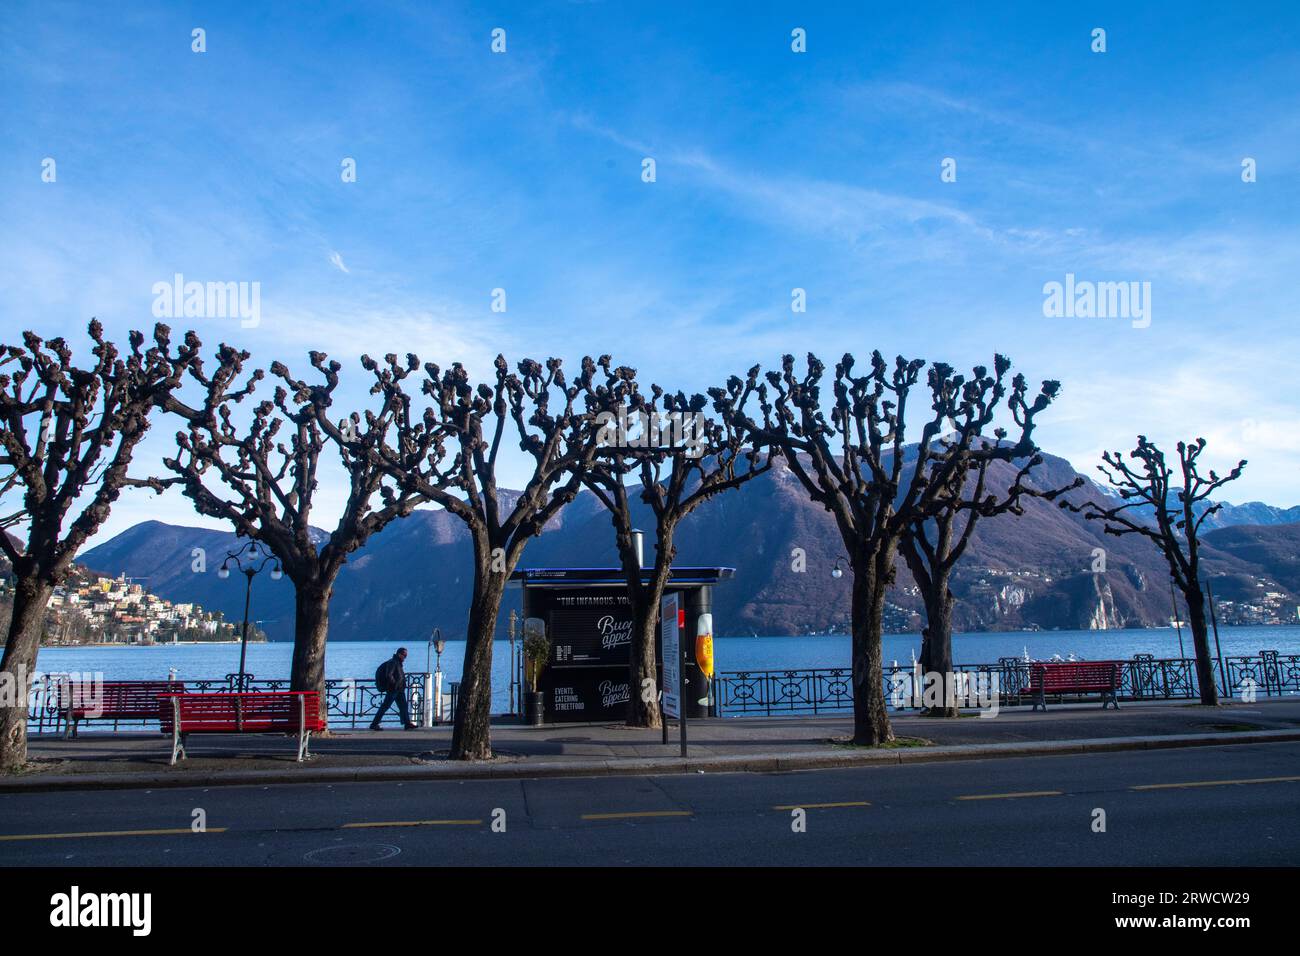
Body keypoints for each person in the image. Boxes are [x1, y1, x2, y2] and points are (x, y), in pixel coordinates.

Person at [371, 647, 415, 730]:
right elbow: (389, 675)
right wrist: (395, 684)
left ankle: (407, 723)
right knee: (385, 707)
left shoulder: (397, 662)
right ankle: (374, 724)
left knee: (403, 706)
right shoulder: (393, 662)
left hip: (399, 689)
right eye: (404, 655)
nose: (405, 657)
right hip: (394, 689)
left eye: (406, 655)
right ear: (399, 654)